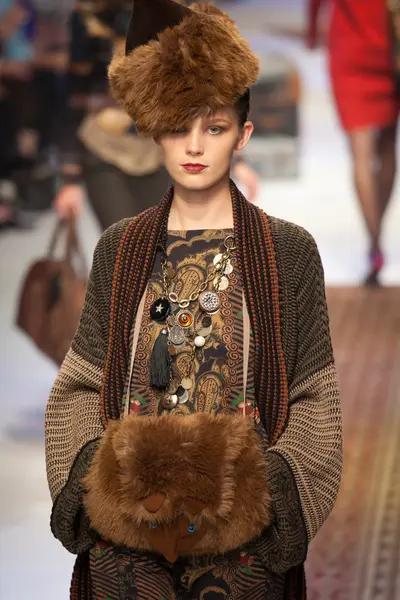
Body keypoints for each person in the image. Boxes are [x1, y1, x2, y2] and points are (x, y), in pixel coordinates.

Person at [45, 1, 342, 599]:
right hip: (125, 539)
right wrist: (86, 485)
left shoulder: (287, 251)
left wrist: (279, 504)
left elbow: (315, 398)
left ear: (243, 133)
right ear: (155, 131)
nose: (195, 147)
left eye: (214, 127)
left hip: (243, 547)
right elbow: (79, 383)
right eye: (179, 127)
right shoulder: (121, 248)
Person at [52, 0, 260, 230]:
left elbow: (214, 96)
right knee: (124, 248)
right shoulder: (91, 16)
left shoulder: (189, 13)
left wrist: (235, 159)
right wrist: (70, 177)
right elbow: (72, 95)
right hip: (105, 147)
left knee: (168, 249)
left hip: (167, 150)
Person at [306, 0, 400, 286]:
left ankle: (374, 244)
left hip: (350, 48)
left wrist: (312, 33)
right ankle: (376, 234)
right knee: (387, 149)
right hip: (391, 46)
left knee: (361, 156)